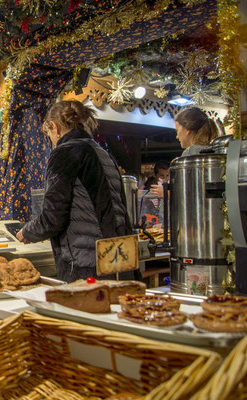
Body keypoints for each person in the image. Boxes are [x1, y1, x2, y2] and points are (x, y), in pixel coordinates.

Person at [16, 100, 133, 282]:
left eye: (49, 135)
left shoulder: (65, 152)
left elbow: (53, 217)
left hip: (84, 263)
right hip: (116, 256)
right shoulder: (103, 153)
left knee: (85, 310)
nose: (52, 142)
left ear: (53, 127)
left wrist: (27, 232)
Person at [150, 108, 218, 197]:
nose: (177, 136)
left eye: (177, 130)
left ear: (188, 129)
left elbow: (191, 192)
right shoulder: (213, 149)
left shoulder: (192, 151)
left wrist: (168, 193)